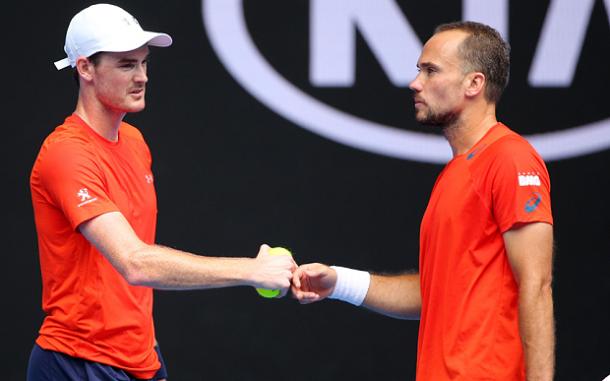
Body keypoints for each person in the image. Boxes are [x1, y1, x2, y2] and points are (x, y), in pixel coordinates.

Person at [28, 4, 296, 380]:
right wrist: (252, 270)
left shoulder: (135, 142)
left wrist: (143, 344)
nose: (142, 77)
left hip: (143, 362)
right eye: (126, 65)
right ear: (85, 68)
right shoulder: (66, 154)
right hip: (77, 362)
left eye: (144, 63)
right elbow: (135, 262)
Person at [292, 21, 554, 381]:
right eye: (419, 70)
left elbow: (536, 285)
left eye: (431, 71)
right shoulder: (456, 173)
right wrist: (339, 282)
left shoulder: (511, 158)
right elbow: (434, 292)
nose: (415, 83)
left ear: (474, 84)